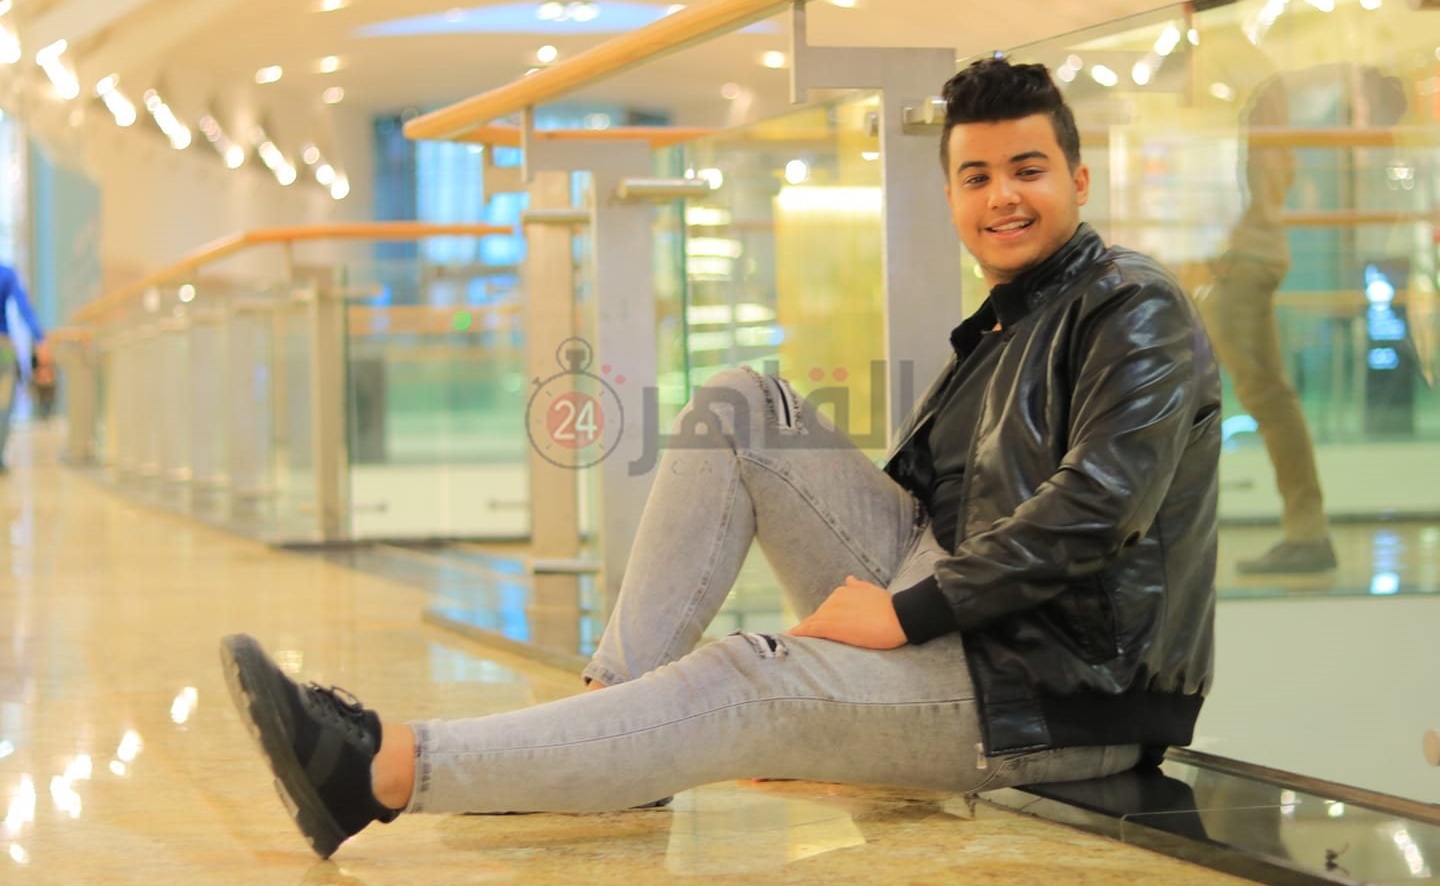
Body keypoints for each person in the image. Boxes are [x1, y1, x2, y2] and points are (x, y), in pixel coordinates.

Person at [220, 57, 1221, 860]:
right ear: (953, 193)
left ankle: (383, 768)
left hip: (1057, 692)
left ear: (1077, 180)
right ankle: (615, 729)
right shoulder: (1008, 322)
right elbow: (934, 508)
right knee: (742, 402)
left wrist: (902, 615)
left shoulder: (1132, 306)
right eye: (977, 176)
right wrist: (868, 662)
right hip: (973, 620)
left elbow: (1100, 507)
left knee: (749, 675)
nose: (1003, 196)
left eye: (1028, 170)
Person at [1183, 0, 1337, 574]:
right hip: (1234, 251)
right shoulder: (1242, 61)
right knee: (1243, 391)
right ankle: (1304, 528)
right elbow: (1273, 166)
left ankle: (1307, 529)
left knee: (1257, 393)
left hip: (1232, 255)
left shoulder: (1222, 61)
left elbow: (1235, 168)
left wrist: (1221, 246)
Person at [0, 261, 49, 474]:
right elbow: (24, 308)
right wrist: (39, 338)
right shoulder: (6, 273)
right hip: (3, 346)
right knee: (3, 402)